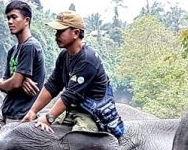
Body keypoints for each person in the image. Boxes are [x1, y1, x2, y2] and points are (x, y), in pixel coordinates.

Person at [22, 10, 122, 138]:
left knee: (75, 142)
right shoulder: (64, 55)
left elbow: (70, 96)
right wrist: (32, 111)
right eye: (56, 32)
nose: (56, 35)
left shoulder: (87, 60)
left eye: (60, 31)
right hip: (72, 109)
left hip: (91, 114)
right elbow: (53, 85)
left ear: (76, 33)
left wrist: (48, 118)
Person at [0, 0, 45, 122]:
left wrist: (8, 83)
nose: (10, 22)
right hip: (7, 111)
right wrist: (3, 83)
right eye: (8, 18)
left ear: (26, 20)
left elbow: (14, 84)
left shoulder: (30, 46)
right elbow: (7, 80)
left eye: (14, 17)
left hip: (21, 115)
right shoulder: (13, 50)